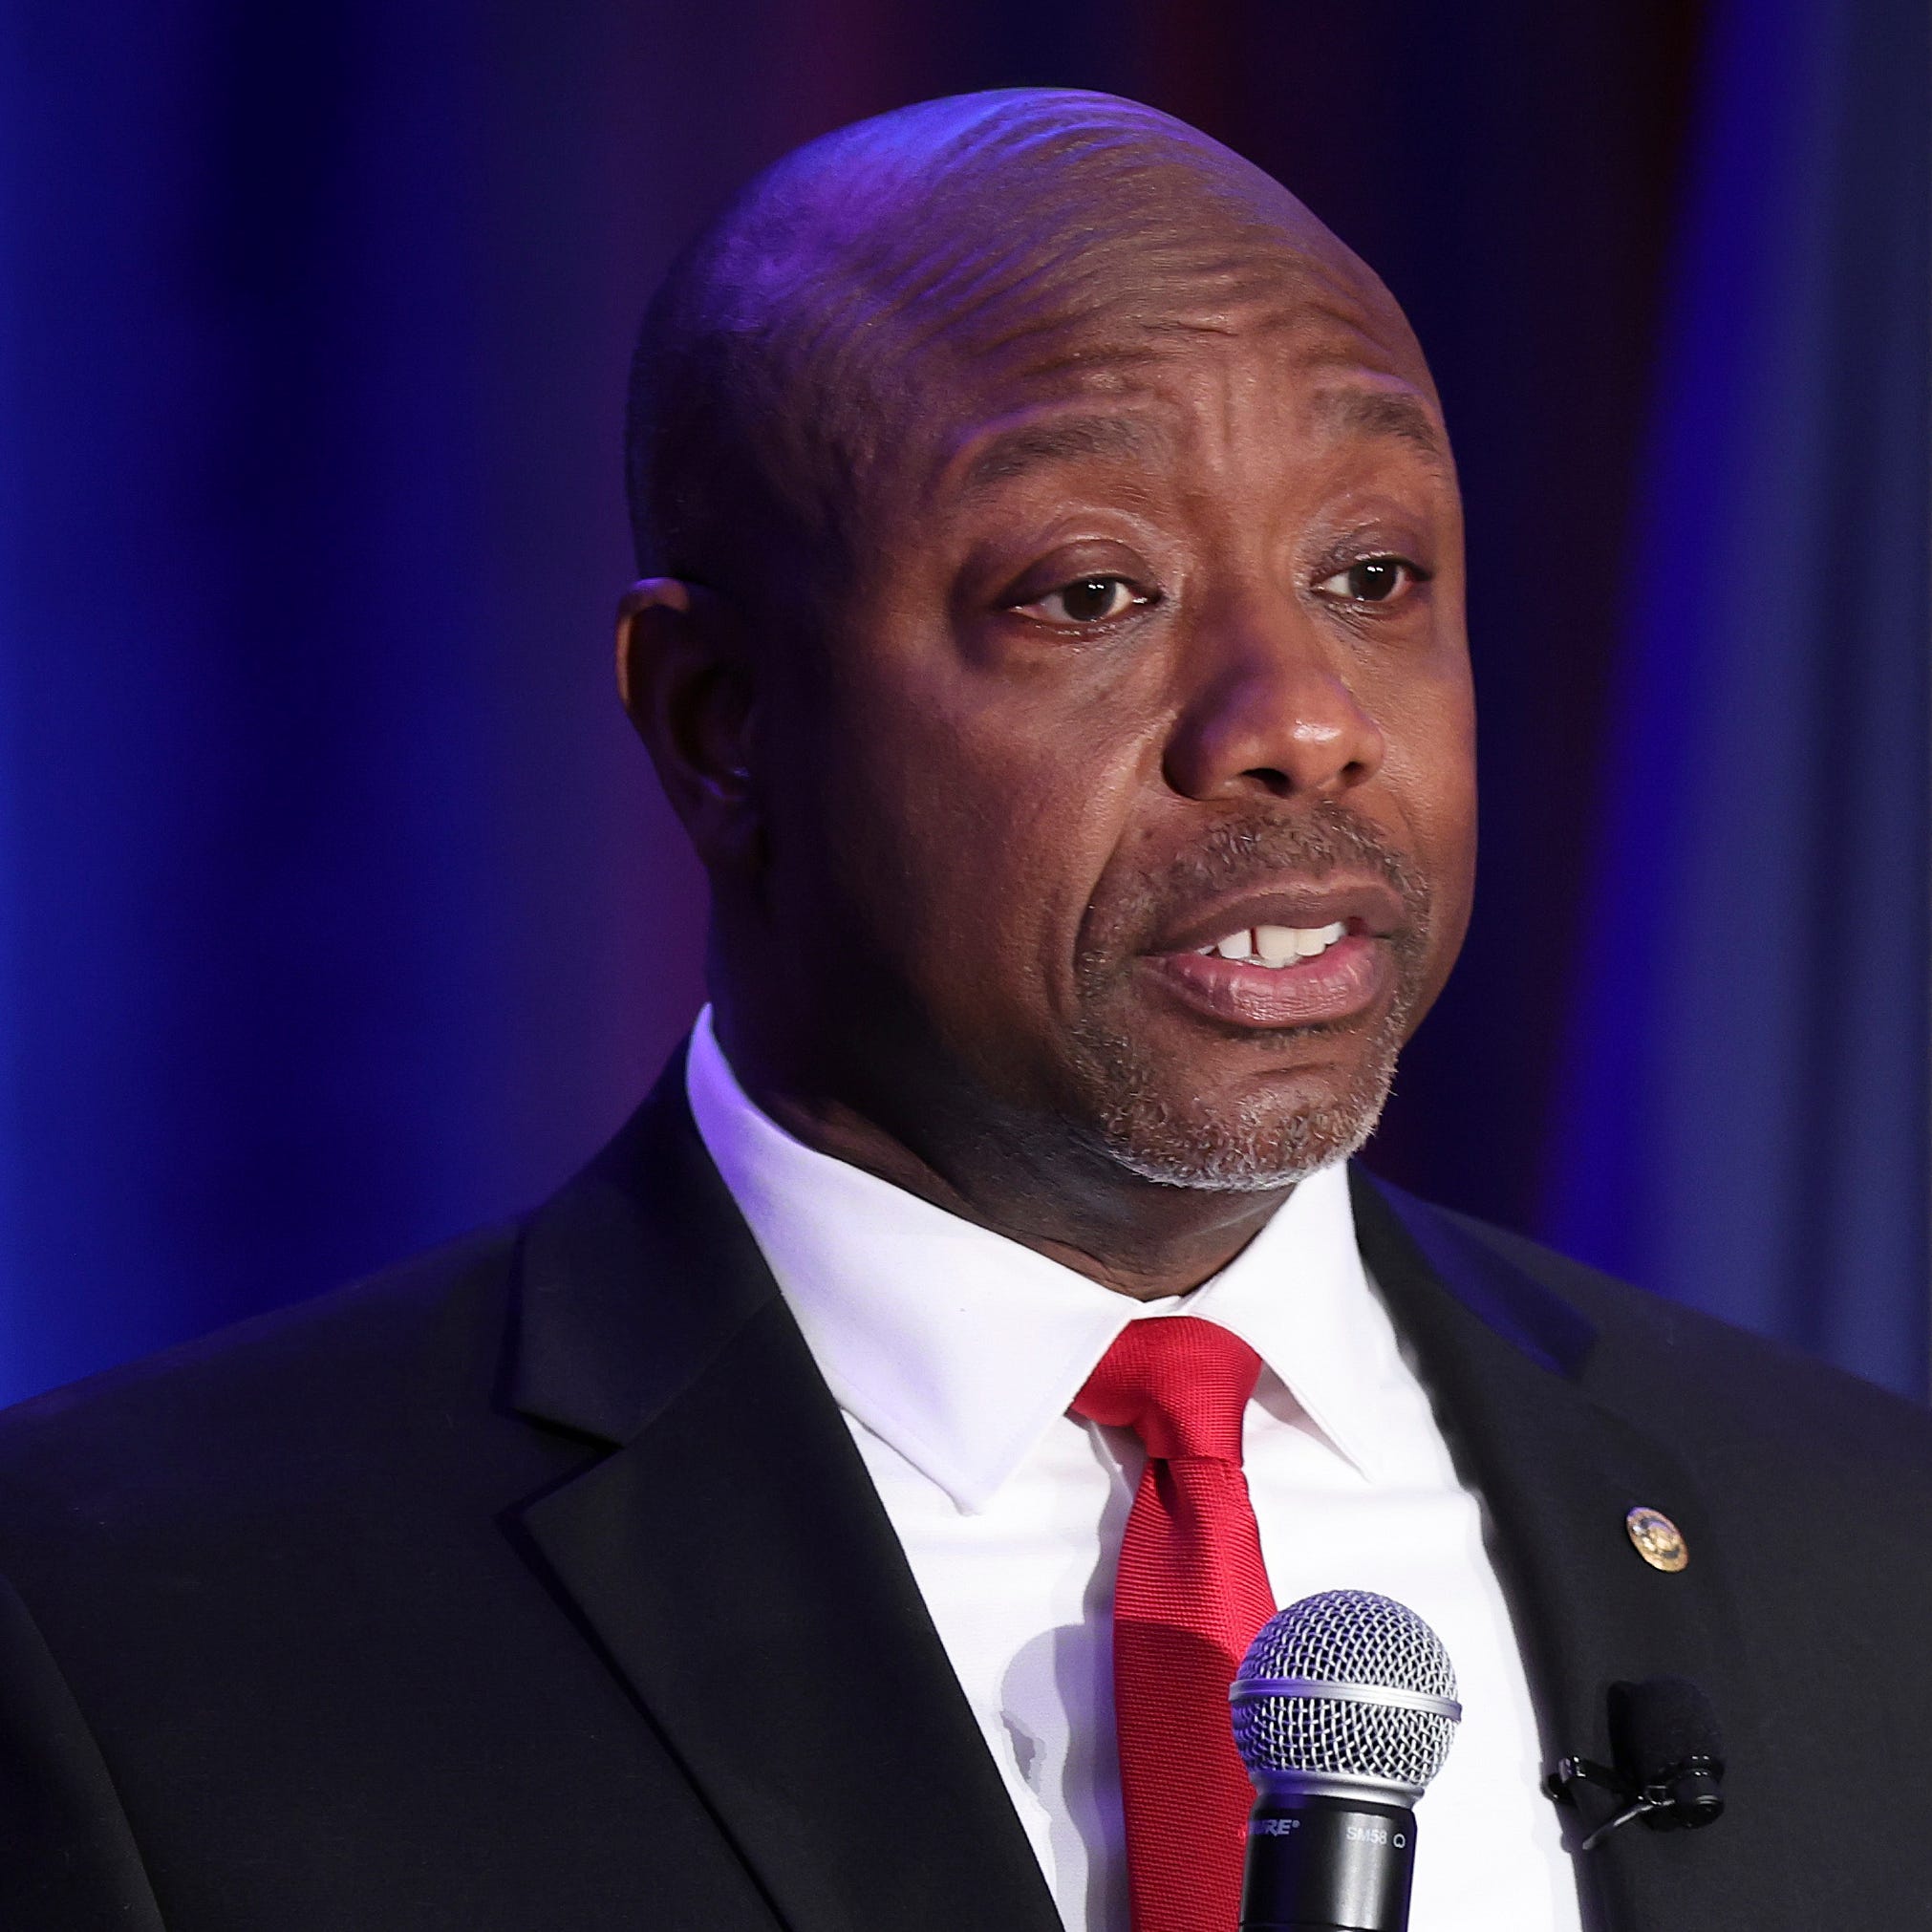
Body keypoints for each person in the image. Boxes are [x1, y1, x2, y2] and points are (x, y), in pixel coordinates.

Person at [1, 88, 1927, 1932]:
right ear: (720, 722)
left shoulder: (1859, 1550)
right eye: (1091, 593)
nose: (1302, 723)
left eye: (1372, 573)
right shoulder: (135, 1627)